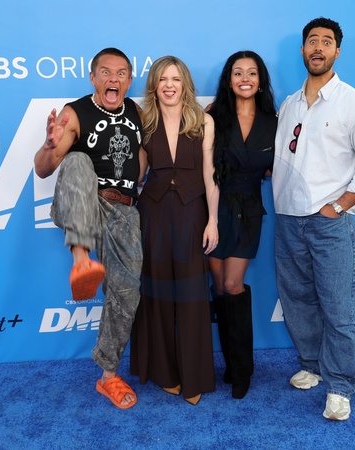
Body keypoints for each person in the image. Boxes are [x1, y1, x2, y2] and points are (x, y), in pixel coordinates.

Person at [271, 18, 355, 421]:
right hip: (287, 220)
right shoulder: (289, 104)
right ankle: (312, 365)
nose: (318, 47)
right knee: (298, 301)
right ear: (303, 50)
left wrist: (338, 206)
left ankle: (340, 385)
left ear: (337, 51)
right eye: (312, 41)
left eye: (326, 41)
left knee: (340, 306)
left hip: (329, 222)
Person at [34, 47, 146, 410]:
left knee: (126, 291)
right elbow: (44, 169)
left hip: (124, 209)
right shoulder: (75, 112)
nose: (113, 78)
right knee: (79, 159)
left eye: (121, 73)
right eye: (106, 72)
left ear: (129, 80)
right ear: (93, 77)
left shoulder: (137, 112)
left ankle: (108, 375)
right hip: (85, 200)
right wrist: (50, 146)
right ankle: (81, 259)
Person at [130, 55, 219, 406]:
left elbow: (210, 175)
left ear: (185, 84)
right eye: (163, 79)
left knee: (192, 296)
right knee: (157, 294)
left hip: (191, 213)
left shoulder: (203, 121)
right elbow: (139, 173)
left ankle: (193, 377)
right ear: (154, 85)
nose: (169, 85)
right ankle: (165, 373)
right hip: (152, 213)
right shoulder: (144, 121)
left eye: (175, 79)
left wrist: (212, 220)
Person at [206, 50, 277, 399]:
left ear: (260, 80)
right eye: (238, 72)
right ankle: (231, 364)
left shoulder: (274, 121)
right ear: (229, 79)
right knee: (219, 286)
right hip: (214, 209)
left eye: (251, 72)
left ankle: (243, 369)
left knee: (234, 284)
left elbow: (281, 164)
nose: (245, 78)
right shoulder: (212, 116)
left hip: (249, 209)